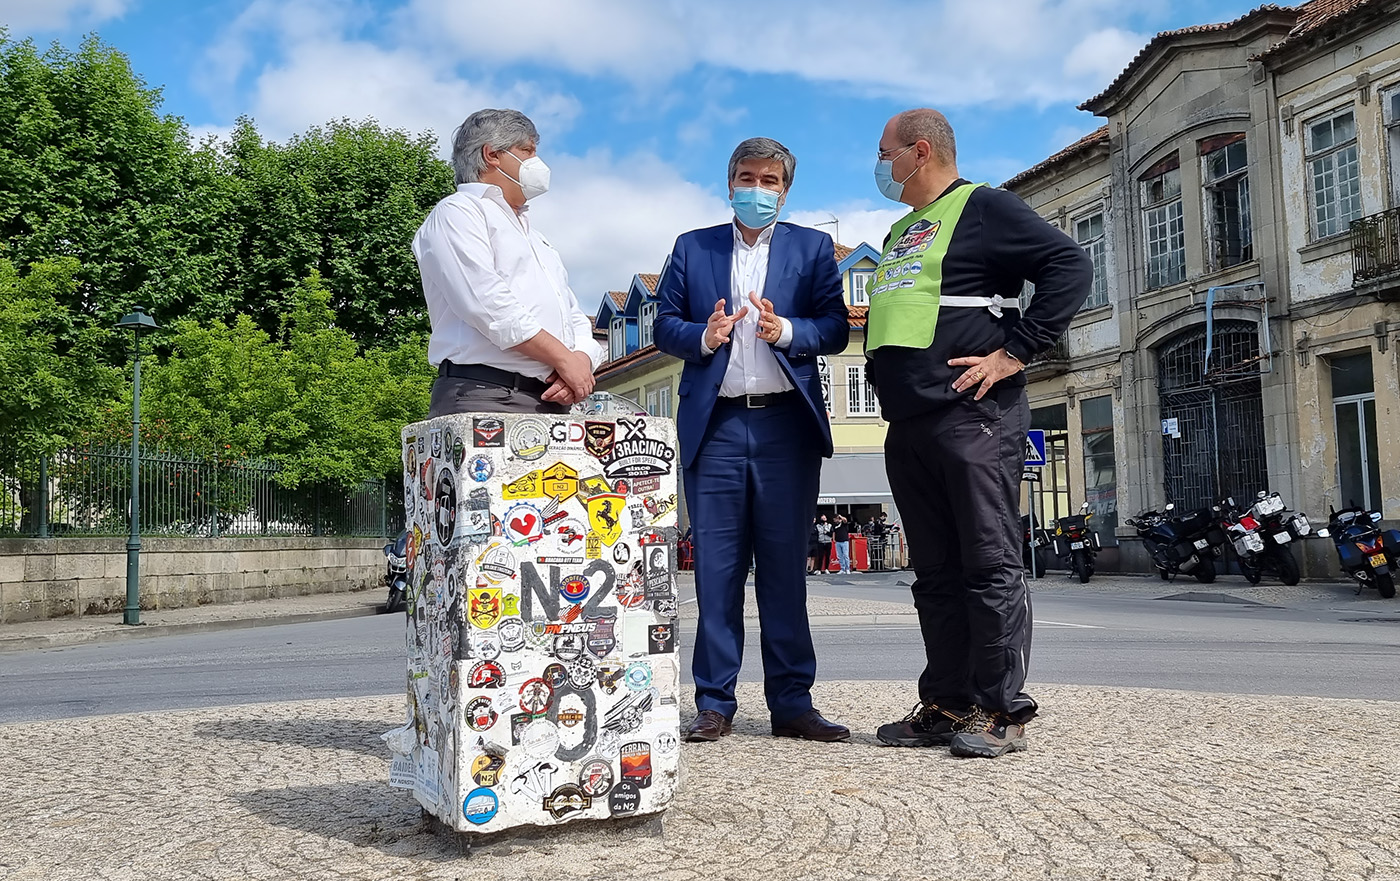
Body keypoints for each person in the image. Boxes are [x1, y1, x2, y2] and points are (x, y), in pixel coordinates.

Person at [865, 109, 1090, 759]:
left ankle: (1000, 710)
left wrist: (1015, 352)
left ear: (920, 151)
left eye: (884, 152)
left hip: (974, 416)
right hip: (910, 422)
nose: (879, 165)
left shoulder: (986, 207)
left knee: (988, 564)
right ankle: (947, 702)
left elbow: (1069, 266)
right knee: (935, 573)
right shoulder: (904, 230)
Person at [655, 137, 851, 744]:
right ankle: (714, 703)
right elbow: (664, 323)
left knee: (784, 571)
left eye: (770, 181)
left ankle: (792, 703)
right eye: (747, 177)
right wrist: (703, 336)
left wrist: (786, 329)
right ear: (730, 182)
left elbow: (835, 327)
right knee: (715, 573)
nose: (757, 189)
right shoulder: (693, 246)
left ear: (785, 191)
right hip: (715, 426)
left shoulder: (811, 247)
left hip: (784, 425)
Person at [413, 108, 604, 417]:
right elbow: (487, 303)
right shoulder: (458, 212)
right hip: (485, 394)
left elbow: (572, 315)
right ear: (492, 155)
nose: (537, 162)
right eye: (527, 151)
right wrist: (563, 359)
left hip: (552, 399)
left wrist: (582, 359)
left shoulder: (536, 239)